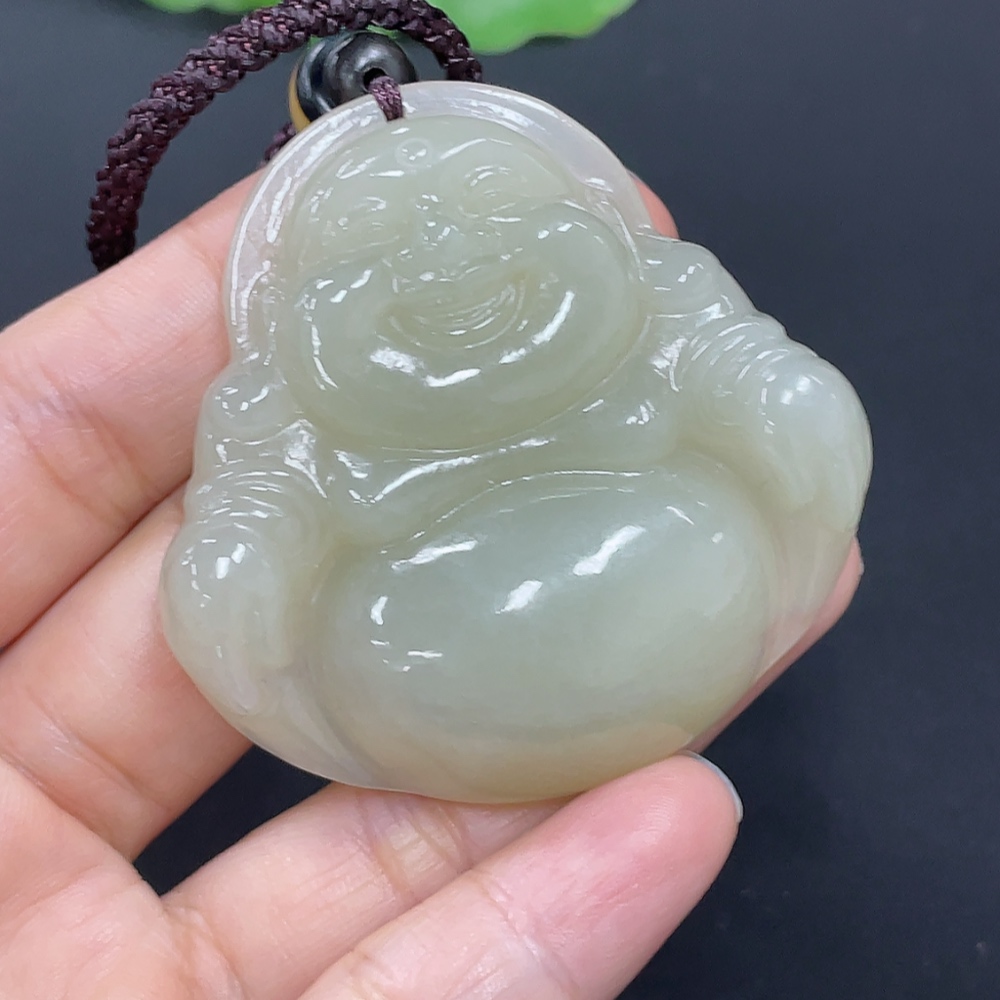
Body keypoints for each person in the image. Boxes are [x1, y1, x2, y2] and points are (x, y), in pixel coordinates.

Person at [0, 176, 861, 997]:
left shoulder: (654, 304)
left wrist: (779, 392)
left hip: (683, 567)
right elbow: (257, 505)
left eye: (493, 203)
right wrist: (234, 569)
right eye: (375, 238)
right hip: (421, 655)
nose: (446, 253)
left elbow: (729, 358)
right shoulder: (284, 399)